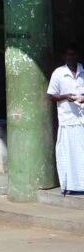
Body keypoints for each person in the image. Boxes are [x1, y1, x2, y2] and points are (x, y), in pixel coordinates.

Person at [47, 44, 84, 195]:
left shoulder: (83, 71)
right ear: (64, 57)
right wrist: (65, 96)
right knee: (68, 154)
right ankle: (70, 186)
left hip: (82, 120)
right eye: (68, 55)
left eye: (73, 55)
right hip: (67, 121)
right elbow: (51, 95)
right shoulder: (58, 73)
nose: (71, 58)